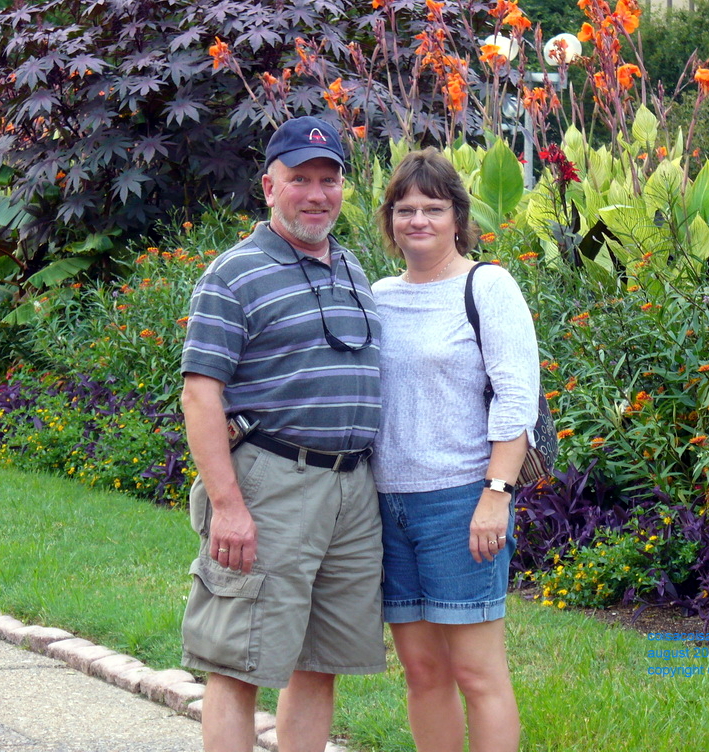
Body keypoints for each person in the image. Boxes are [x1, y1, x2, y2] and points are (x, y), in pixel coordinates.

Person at [179, 116, 385, 752]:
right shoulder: (233, 274)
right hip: (271, 484)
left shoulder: (350, 266)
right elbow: (199, 393)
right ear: (269, 186)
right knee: (238, 661)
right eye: (300, 179)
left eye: (329, 180)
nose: (316, 193)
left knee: (318, 661)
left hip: (352, 490)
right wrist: (228, 507)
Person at [372, 148, 539, 752]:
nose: (418, 220)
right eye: (405, 208)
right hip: (388, 504)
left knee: (477, 673)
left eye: (433, 209)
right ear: (390, 218)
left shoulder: (486, 285)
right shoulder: (379, 295)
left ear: (457, 216)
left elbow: (516, 398)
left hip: (462, 502)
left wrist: (496, 494)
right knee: (422, 672)